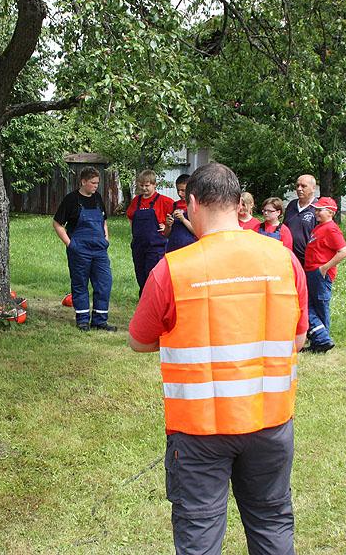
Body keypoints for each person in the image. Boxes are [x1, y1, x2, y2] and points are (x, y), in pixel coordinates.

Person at [128, 162, 308, 555]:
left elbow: (140, 341)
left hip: (199, 429)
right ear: (237, 203)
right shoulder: (283, 260)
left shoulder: (172, 269)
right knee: (272, 521)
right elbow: (297, 338)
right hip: (270, 421)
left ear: (192, 203)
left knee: (199, 533)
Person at [53, 166, 116, 331]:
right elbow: (57, 224)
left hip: (99, 250)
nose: (96, 186)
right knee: (80, 284)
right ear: (83, 181)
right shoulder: (71, 200)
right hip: (79, 250)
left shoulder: (97, 198)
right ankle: (82, 320)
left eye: (97, 183)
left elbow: (104, 221)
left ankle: (100, 321)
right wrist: (70, 244)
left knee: (104, 283)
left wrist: (106, 239)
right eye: (93, 183)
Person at [302, 197, 346, 353]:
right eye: (315, 209)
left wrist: (324, 268)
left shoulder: (331, 228)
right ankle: (319, 339)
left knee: (320, 306)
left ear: (330, 212)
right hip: (311, 272)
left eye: (319, 210)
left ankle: (323, 341)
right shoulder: (319, 227)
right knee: (309, 305)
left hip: (319, 274)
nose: (316, 212)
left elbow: (343, 251)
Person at [127, 170, 175, 295]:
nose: (144, 188)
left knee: (153, 276)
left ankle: (155, 302)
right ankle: (143, 301)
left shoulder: (165, 201)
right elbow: (130, 217)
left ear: (154, 185)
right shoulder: (136, 201)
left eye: (147, 185)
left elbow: (175, 218)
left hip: (156, 247)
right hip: (138, 246)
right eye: (141, 185)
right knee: (141, 276)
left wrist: (166, 226)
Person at [283, 175, 318, 265]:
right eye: (297, 185)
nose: (299, 189)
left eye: (303, 186)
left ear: (313, 188)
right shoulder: (292, 205)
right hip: (288, 257)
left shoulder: (318, 208)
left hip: (308, 261)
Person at [163, 173, 197, 253]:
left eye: (183, 191)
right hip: (173, 248)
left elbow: (197, 232)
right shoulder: (174, 205)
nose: (179, 193)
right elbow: (166, 234)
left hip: (190, 249)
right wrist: (168, 225)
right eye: (178, 190)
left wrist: (183, 219)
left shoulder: (196, 206)